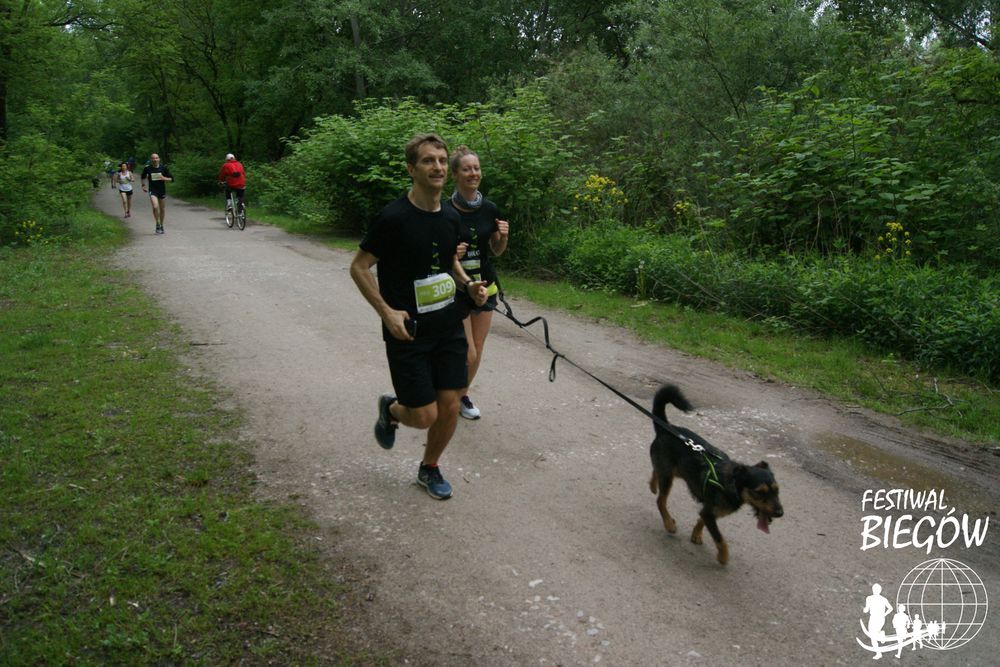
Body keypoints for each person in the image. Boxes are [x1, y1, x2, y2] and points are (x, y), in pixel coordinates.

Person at [349, 133, 488, 500]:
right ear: (412, 169)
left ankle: (430, 466)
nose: (438, 167)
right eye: (428, 161)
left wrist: (468, 285)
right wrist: (386, 313)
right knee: (424, 415)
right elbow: (359, 267)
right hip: (407, 330)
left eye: (441, 160)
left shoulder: (451, 216)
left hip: (448, 324)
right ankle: (392, 409)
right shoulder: (393, 218)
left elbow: (449, 260)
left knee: (450, 404)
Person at [445, 146, 509, 420]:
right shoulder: (445, 210)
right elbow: (436, 254)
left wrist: (503, 236)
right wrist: (452, 254)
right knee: (467, 352)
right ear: (454, 174)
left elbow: (496, 251)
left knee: (478, 348)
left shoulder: (490, 209)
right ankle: (446, 390)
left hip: (485, 286)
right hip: (457, 288)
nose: (473, 173)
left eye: (476, 168)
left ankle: (461, 396)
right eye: (467, 169)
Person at [140, 153, 173, 234]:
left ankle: (161, 225)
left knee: (162, 209)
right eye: (153, 158)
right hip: (153, 190)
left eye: (156, 158)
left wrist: (164, 178)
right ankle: (157, 223)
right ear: (151, 159)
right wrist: (143, 185)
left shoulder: (163, 168)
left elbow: (171, 179)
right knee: (155, 206)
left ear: (159, 159)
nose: (155, 159)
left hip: (161, 190)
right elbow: (143, 177)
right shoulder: (148, 168)